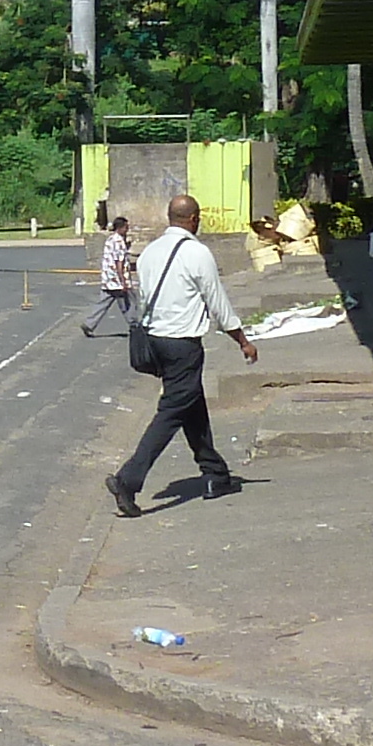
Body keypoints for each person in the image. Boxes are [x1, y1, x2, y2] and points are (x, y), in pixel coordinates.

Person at [107, 192, 255, 517]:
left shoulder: (149, 253)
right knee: (172, 411)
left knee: (191, 405)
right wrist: (242, 340)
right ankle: (128, 480)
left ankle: (216, 475)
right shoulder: (196, 253)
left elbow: (143, 296)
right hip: (182, 345)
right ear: (193, 219)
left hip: (155, 341)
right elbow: (218, 302)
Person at [82, 212, 137, 337]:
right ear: (121, 228)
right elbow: (119, 262)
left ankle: (89, 323)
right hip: (117, 279)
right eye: (126, 228)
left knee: (103, 303)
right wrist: (123, 280)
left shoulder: (111, 239)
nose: (127, 230)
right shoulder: (118, 242)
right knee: (128, 303)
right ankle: (134, 325)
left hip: (108, 278)